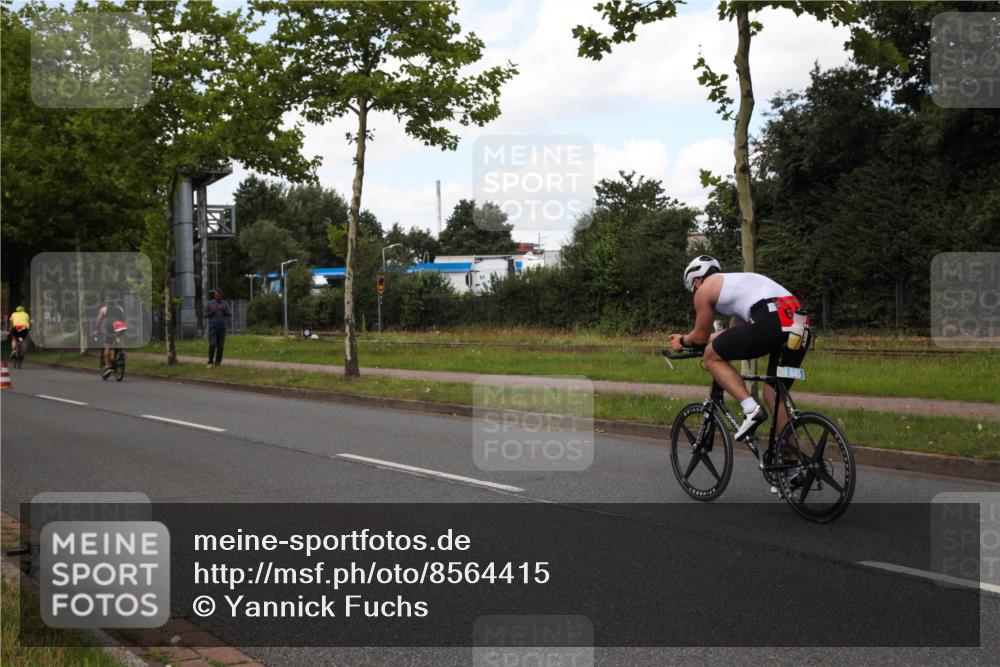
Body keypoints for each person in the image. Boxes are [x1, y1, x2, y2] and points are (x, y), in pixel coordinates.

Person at [669, 256, 808, 443]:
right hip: (799, 324)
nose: (696, 293)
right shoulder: (740, 285)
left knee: (711, 357)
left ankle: (751, 409)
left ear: (696, 280)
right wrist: (707, 340)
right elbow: (732, 334)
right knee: (773, 393)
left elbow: (700, 337)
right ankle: (793, 465)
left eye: (694, 289)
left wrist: (683, 340)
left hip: (769, 319)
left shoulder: (704, 289)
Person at [93, 295, 126, 379]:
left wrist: (96, 330)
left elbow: (98, 321)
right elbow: (123, 319)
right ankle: (121, 351)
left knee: (107, 346)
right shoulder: (121, 308)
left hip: (110, 326)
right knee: (120, 340)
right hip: (121, 326)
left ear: (106, 302)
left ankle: (108, 366)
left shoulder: (104, 309)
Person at [203, 289, 231, 367]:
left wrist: (223, 310)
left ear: (221, 295)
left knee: (220, 346)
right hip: (212, 328)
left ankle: (218, 362)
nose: (218, 296)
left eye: (219, 295)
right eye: (216, 295)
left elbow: (229, 314)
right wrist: (213, 311)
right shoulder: (209, 303)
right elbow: (204, 315)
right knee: (213, 344)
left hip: (222, 328)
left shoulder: (225, 303)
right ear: (214, 295)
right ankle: (210, 362)